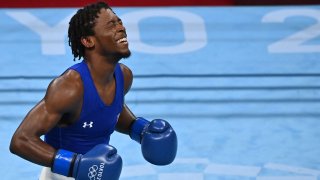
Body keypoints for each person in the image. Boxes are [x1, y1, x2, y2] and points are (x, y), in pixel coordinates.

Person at [9, 1, 178, 180]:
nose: (121, 28)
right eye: (111, 24)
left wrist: (138, 129)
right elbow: (21, 140)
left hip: (98, 172)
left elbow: (111, 112)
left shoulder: (124, 76)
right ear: (88, 41)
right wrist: (74, 165)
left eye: (119, 22)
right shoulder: (69, 87)